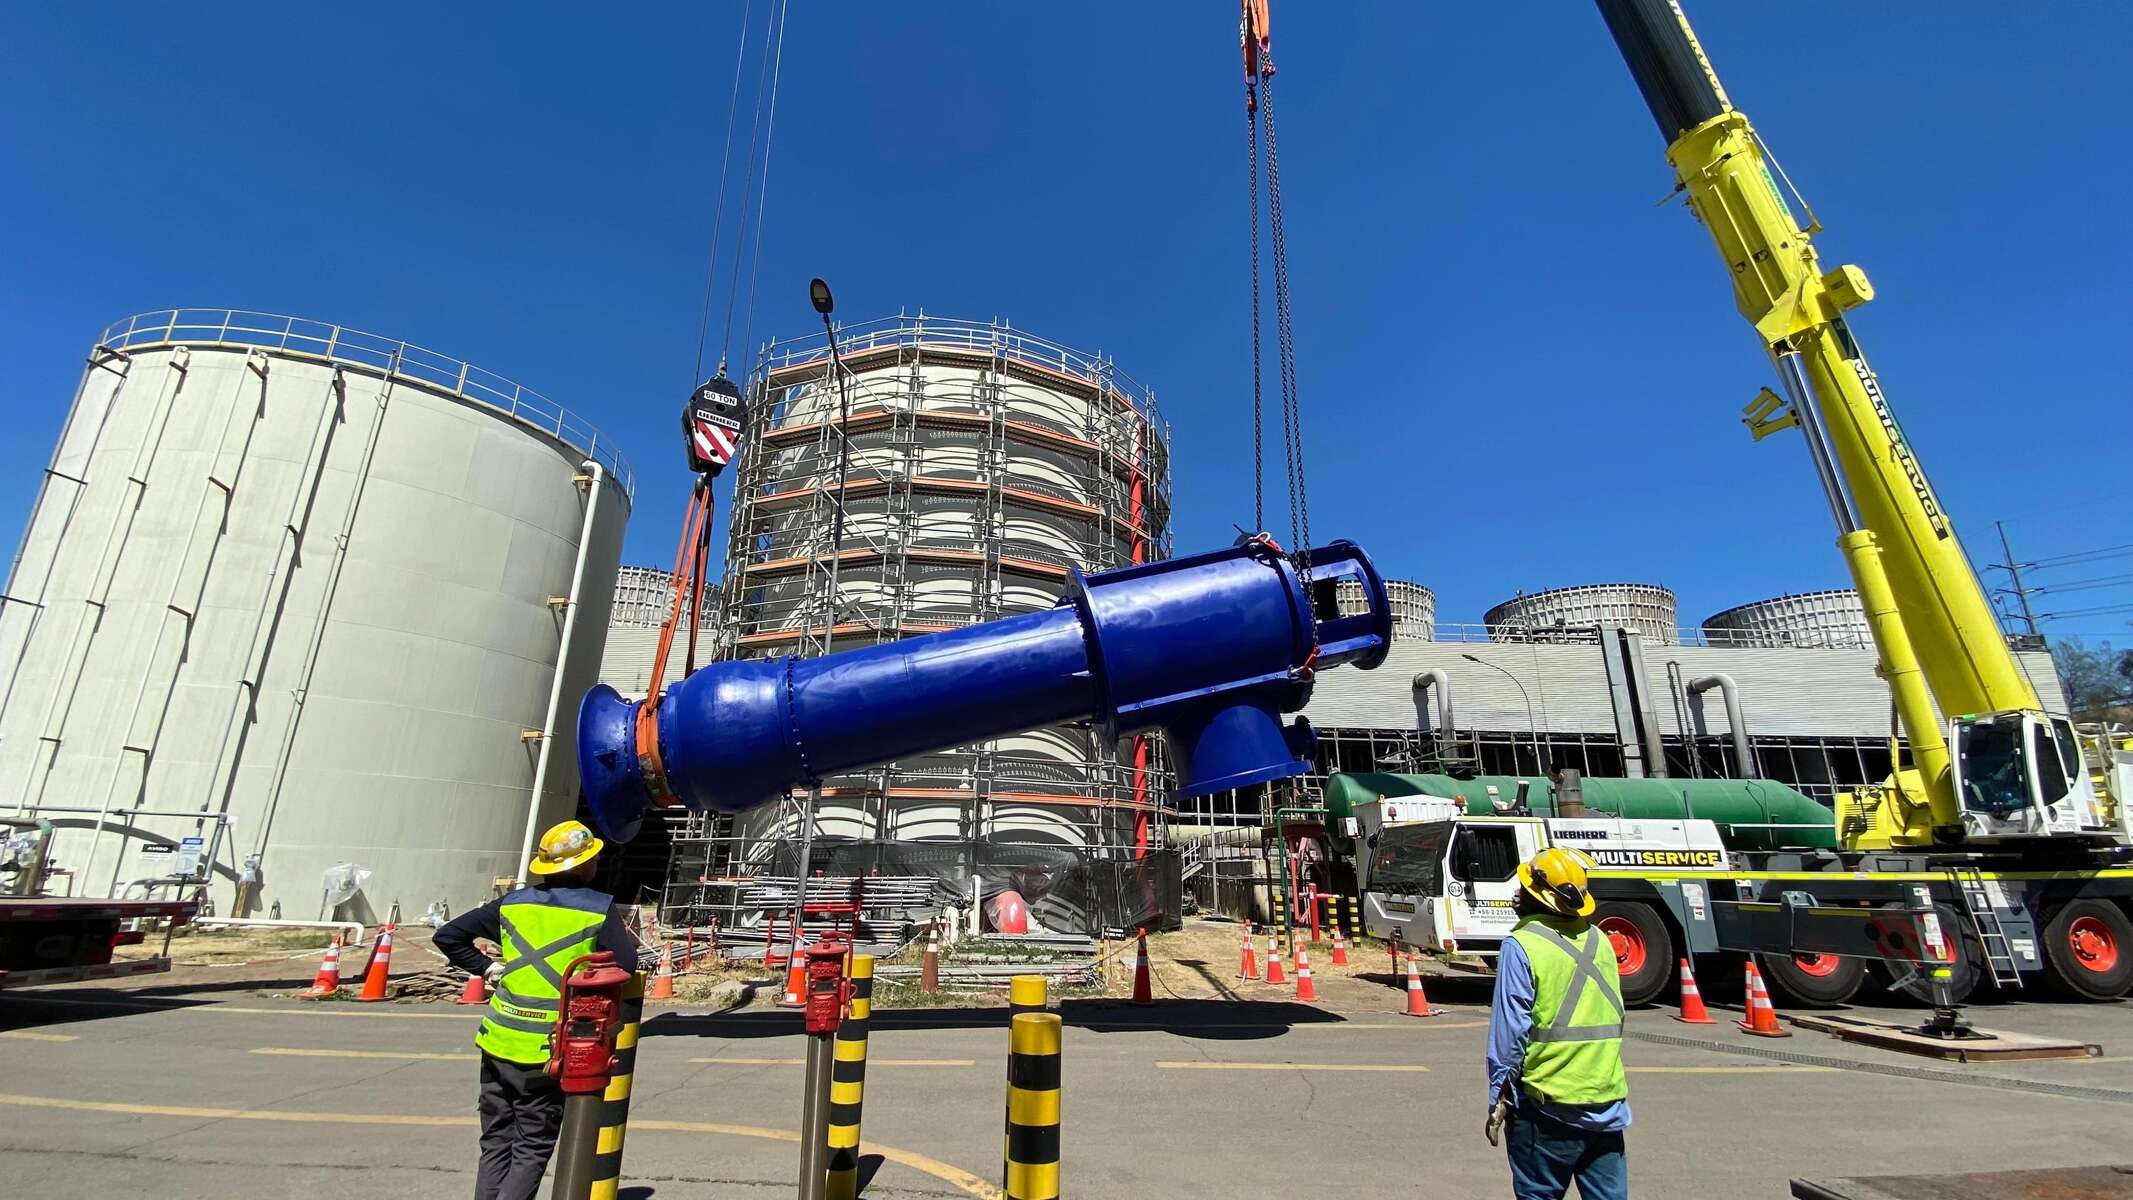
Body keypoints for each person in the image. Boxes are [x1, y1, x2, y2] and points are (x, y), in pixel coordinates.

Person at [434, 820, 640, 1200]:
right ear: (583, 865)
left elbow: (448, 935)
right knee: (532, 1145)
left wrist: (487, 968)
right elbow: (626, 965)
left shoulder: (514, 904)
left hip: (497, 1040)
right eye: (593, 858)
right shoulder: (597, 909)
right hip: (547, 1048)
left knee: (496, 1140)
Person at [1484, 846, 1630, 1200]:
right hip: (1606, 1103)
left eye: (1523, 887)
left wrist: (1498, 1095)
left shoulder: (1522, 945)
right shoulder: (1600, 940)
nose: (1517, 893)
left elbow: (1510, 1034)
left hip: (1546, 1107)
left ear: (1535, 895)